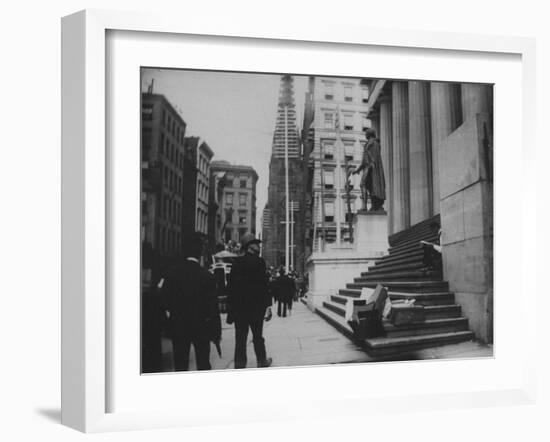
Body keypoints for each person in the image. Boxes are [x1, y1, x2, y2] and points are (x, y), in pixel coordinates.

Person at [162, 232, 221, 371]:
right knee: (203, 363)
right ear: (200, 253)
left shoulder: (172, 274)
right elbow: (213, 307)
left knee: (180, 364)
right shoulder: (207, 276)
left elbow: (165, 300)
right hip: (202, 327)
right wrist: (216, 332)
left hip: (179, 326)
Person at [226, 233, 273, 369]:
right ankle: (261, 360)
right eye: (256, 243)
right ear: (250, 247)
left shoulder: (236, 263)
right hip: (256, 309)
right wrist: (268, 307)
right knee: (258, 336)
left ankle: (240, 365)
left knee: (240, 339)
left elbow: (231, 288)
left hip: (240, 309)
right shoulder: (260, 262)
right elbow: (265, 287)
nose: (258, 246)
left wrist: (231, 309)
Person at [352, 128, 386, 211]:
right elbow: (364, 160)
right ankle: (372, 205)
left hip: (371, 168)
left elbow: (374, 157)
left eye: (366, 133)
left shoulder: (373, 143)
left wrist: (371, 164)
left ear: (369, 134)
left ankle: (365, 206)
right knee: (368, 186)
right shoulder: (368, 144)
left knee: (364, 184)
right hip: (368, 167)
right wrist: (358, 170)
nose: (365, 135)